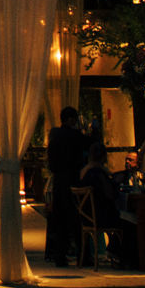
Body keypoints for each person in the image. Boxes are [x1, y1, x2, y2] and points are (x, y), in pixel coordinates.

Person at [45, 107, 91, 265]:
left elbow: (51, 160)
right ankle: (82, 255)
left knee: (60, 220)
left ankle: (60, 256)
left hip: (59, 181)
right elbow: (88, 144)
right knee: (76, 219)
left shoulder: (55, 137)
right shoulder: (75, 136)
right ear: (71, 119)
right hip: (72, 179)